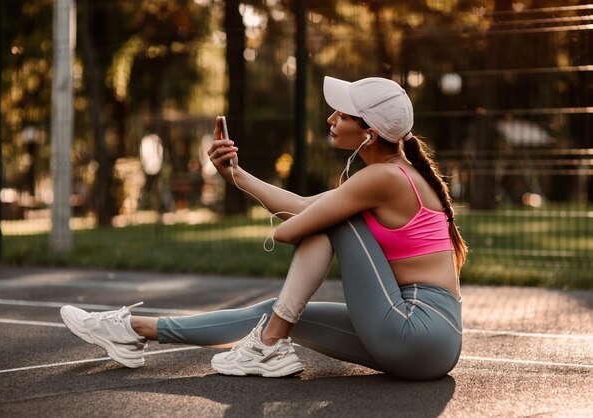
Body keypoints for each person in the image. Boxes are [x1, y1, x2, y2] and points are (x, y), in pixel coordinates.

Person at [60, 76, 468, 380]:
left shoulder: (383, 178)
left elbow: (294, 228)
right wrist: (236, 175)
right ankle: (132, 330)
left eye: (341, 114)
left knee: (332, 226)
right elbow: (307, 208)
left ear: (370, 133)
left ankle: (268, 345)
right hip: (429, 344)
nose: (330, 118)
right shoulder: (392, 175)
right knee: (271, 312)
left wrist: (289, 230)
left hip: (413, 327)